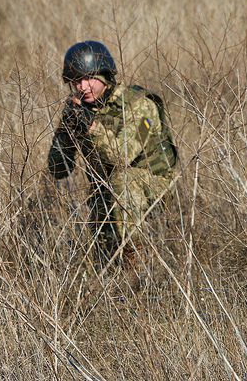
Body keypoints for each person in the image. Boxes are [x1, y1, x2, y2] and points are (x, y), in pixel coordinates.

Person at [48, 40, 177, 266]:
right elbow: (59, 170)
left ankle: (133, 259)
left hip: (152, 187)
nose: (82, 87)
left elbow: (121, 157)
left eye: (89, 78)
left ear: (105, 76)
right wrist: (66, 131)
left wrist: (91, 128)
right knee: (97, 260)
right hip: (105, 192)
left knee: (121, 180)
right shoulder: (79, 110)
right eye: (76, 81)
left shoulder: (139, 106)